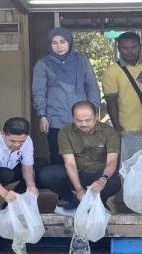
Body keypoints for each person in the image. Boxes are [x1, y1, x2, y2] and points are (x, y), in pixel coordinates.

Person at [32, 27, 101, 165]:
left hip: (82, 118)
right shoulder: (43, 64)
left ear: (69, 42)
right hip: (55, 117)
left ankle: (81, 185)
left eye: (62, 42)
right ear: (49, 45)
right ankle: (61, 186)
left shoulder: (81, 61)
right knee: (59, 154)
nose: (59, 46)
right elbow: (39, 91)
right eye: (54, 43)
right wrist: (42, 116)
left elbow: (92, 87)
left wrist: (93, 111)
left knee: (84, 155)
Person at [39, 101, 120, 214]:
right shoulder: (65, 132)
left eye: (88, 120)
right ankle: (73, 199)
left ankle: (100, 201)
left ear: (96, 117)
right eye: (79, 120)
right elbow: (70, 163)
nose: (83, 124)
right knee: (47, 174)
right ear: (73, 118)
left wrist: (102, 180)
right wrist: (79, 190)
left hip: (98, 175)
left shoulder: (109, 132)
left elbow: (112, 161)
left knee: (114, 181)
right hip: (76, 174)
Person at [102, 32, 142, 135]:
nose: (130, 51)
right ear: (119, 49)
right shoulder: (111, 71)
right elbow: (111, 102)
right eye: (125, 48)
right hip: (128, 127)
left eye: (134, 47)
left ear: (140, 47)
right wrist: (117, 128)